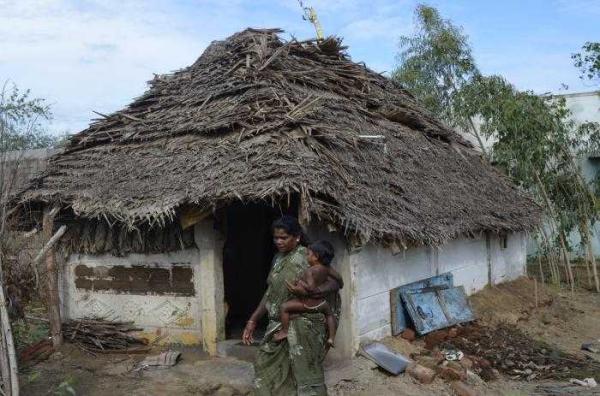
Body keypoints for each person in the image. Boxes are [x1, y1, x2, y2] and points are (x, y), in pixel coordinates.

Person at [242, 215, 342, 396]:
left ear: (296, 237)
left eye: (283, 237)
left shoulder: (309, 256)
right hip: (277, 324)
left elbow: (336, 283)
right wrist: (253, 320)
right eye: (275, 238)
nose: (278, 241)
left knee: (304, 375)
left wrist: (319, 291)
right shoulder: (277, 259)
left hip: (304, 326)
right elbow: (271, 293)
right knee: (264, 364)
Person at [273, 240, 341, 347]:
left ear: (316, 256)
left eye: (308, 254)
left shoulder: (309, 271)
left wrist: (300, 283)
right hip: (322, 303)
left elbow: (311, 288)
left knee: (284, 307)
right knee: (329, 315)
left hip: (308, 303)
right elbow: (338, 279)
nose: (306, 257)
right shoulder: (327, 269)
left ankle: (284, 331)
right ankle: (331, 338)